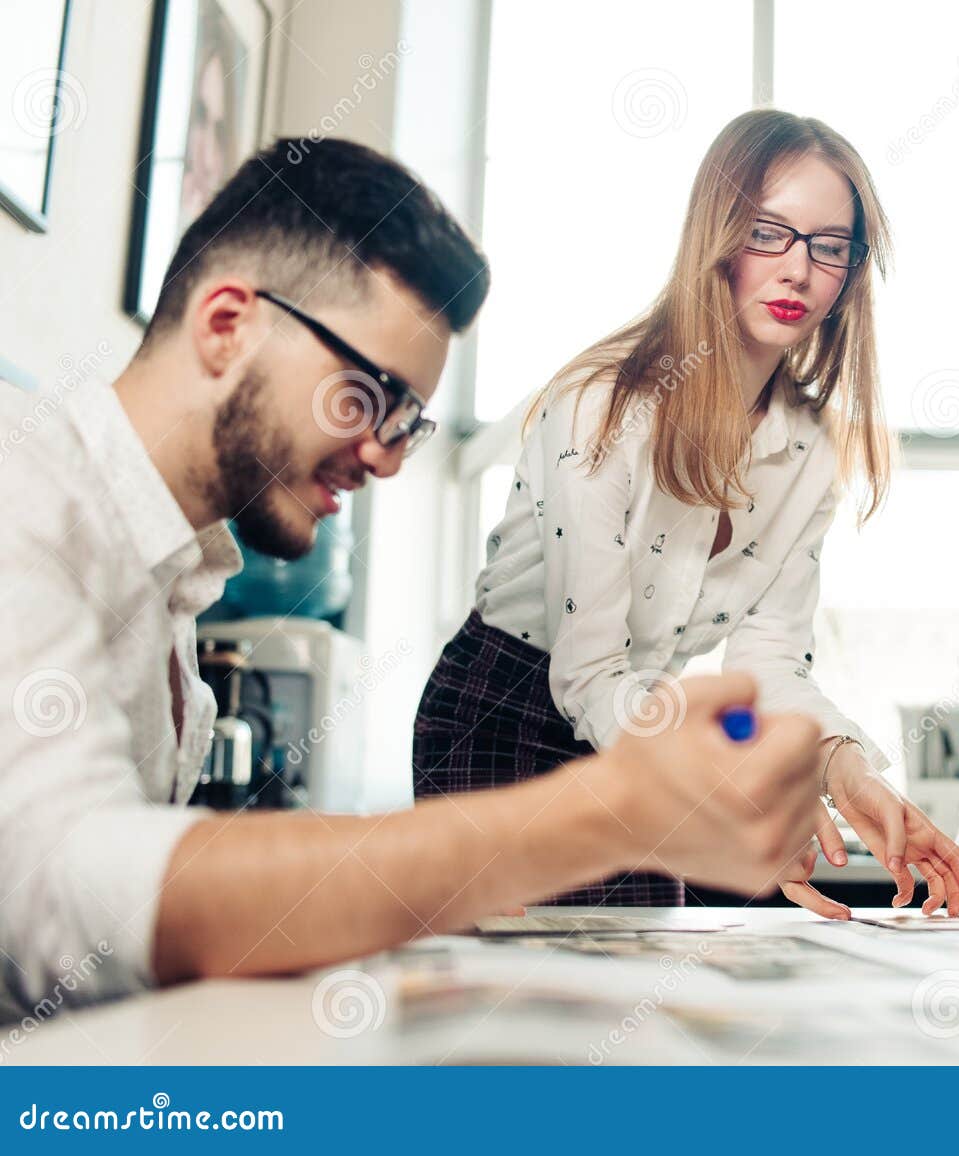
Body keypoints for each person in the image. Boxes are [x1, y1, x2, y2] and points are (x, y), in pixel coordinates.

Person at [0, 138, 827, 1024]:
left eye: (408, 421)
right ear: (227, 323)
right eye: (366, 396)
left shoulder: (170, 582)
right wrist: (611, 810)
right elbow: (67, 895)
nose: (385, 459)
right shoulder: (24, 486)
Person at [413, 109, 959, 918]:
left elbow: (772, 663)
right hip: (500, 716)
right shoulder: (599, 409)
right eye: (767, 233)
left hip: (651, 717)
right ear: (716, 236)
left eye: (829, 246)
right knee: (513, 1010)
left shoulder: (812, 448)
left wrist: (848, 772)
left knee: (642, 988)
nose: (798, 271)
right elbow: (591, 675)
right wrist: (736, 787)